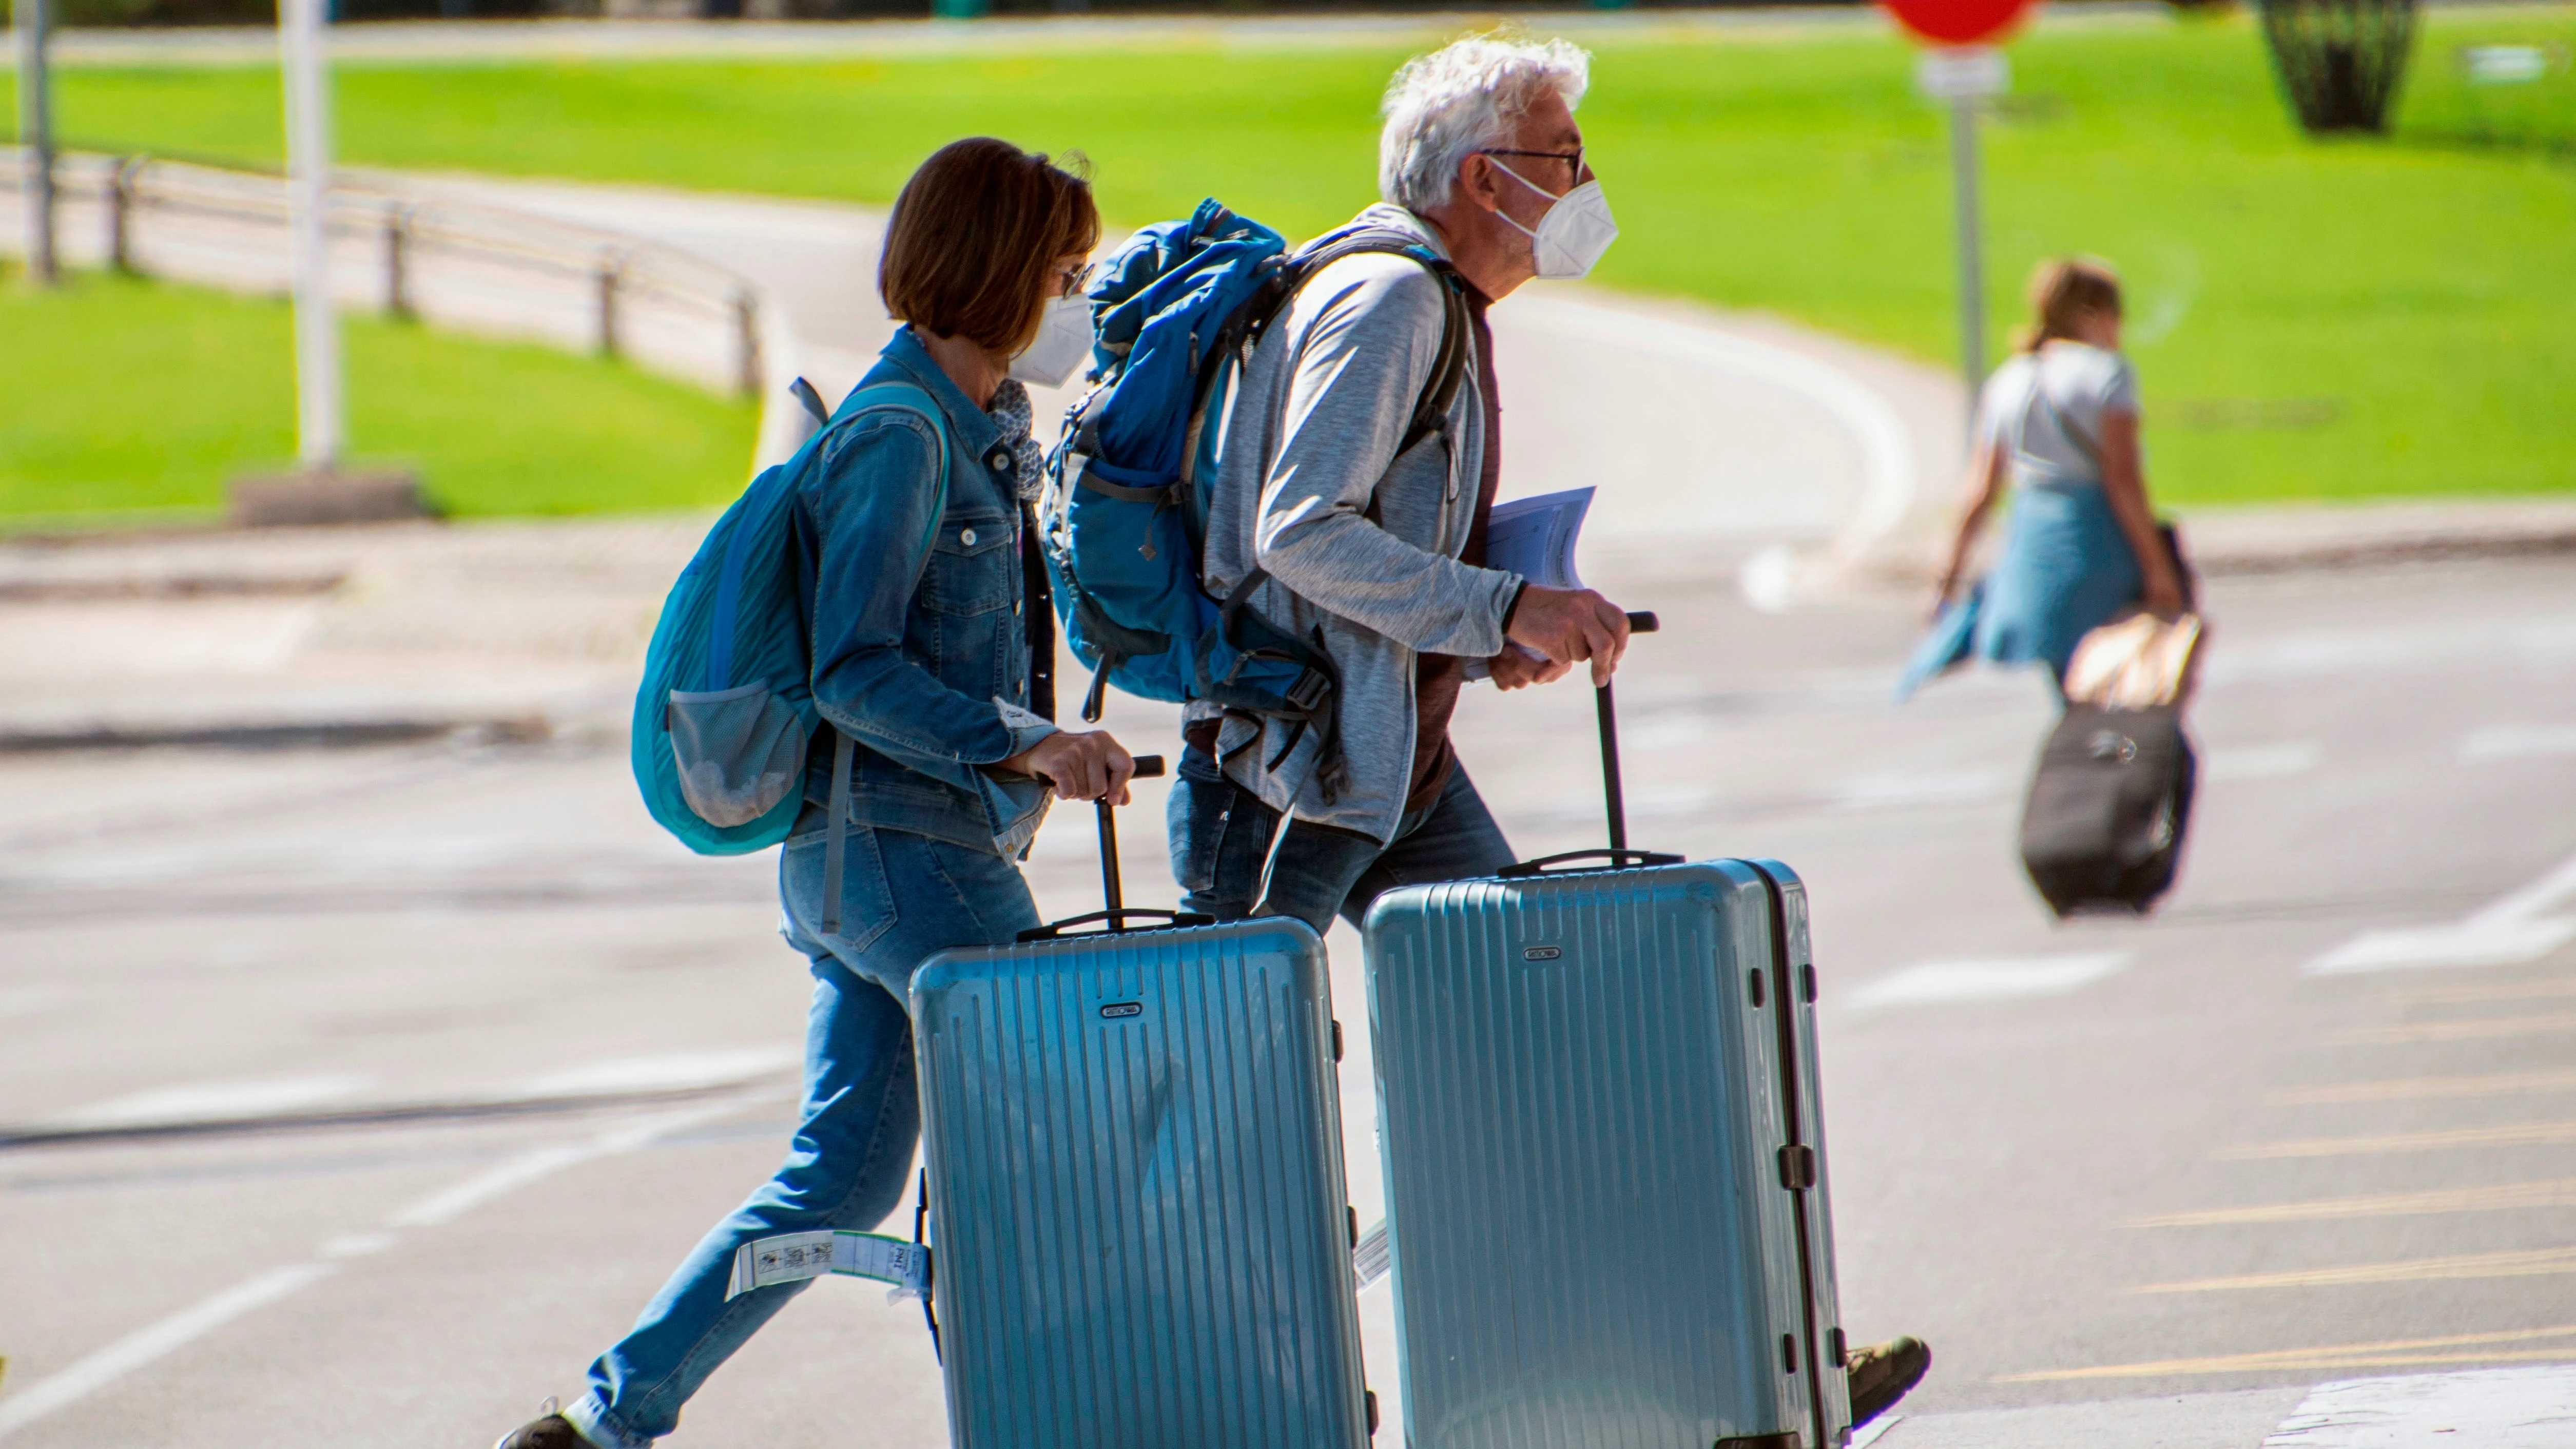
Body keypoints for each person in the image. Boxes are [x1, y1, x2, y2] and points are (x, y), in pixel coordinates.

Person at [1165, 32, 1930, 1426]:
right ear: (1480, 179)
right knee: (1225, 1128)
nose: (1584, 185)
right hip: (1282, 773)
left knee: (1542, 1044)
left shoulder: (1430, 299)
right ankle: (1247, 1404)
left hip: (1380, 761)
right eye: (1562, 158)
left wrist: (1488, 622)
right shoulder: (1391, 303)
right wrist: (1502, 599)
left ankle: (1727, 1362)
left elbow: (1360, 549)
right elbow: (1297, 529)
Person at [495, 138, 1135, 1449]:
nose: (1079, 296)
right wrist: (1025, 742)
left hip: (878, 856)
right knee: (1025, 1133)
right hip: (906, 851)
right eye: (1067, 270)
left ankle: (599, 1422)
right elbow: (851, 667)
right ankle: (1028, 1414)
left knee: (841, 1176)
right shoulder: (900, 437)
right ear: (1004, 270)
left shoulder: (972, 422)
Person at [1900, 257, 2187, 700]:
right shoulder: (2107, 375)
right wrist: (2157, 568)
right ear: (2092, 314)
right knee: (2120, 689)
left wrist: (1946, 578)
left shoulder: (2007, 381)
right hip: (2099, 546)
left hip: (2033, 549)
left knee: (2068, 689)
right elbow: (2122, 479)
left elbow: (1979, 492)